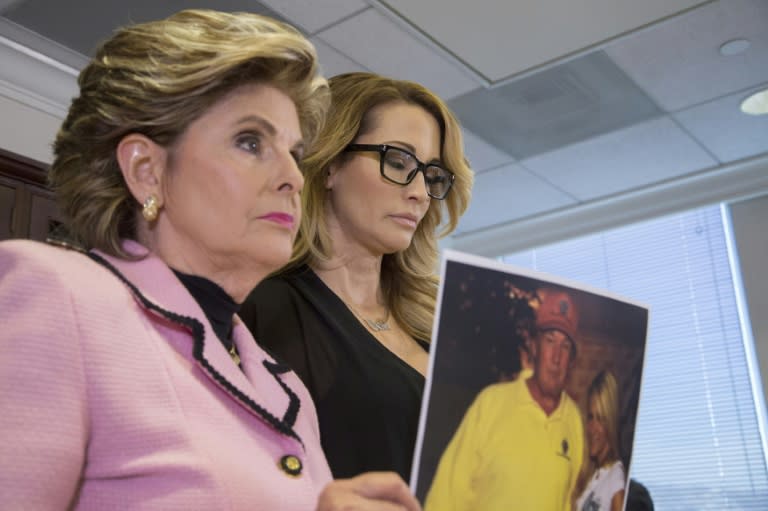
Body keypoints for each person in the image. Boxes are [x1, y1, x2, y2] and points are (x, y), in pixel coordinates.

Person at [0, 10, 420, 511]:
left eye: (295, 151)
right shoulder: (56, 295)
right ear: (146, 170)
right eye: (250, 141)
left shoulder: (283, 387)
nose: (293, 176)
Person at [239, 72, 473, 481]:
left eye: (432, 174)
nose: (419, 191)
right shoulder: (261, 308)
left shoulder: (439, 320)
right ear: (330, 165)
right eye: (398, 161)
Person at [424, 287, 584, 511]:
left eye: (565, 346)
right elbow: (447, 494)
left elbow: (568, 502)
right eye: (550, 341)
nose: (556, 358)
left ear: (572, 360)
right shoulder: (491, 403)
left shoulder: (574, 421)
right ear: (534, 346)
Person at [574, 370, 627, 511]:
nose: (592, 428)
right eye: (591, 417)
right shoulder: (591, 474)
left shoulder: (616, 478)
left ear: (610, 421)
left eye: (601, 419)